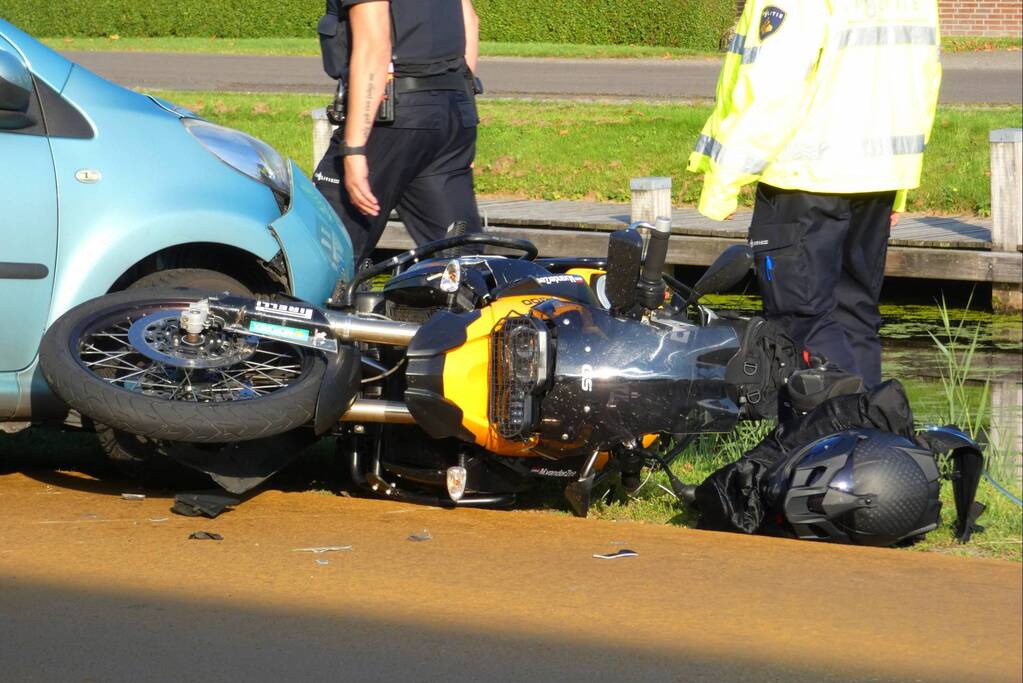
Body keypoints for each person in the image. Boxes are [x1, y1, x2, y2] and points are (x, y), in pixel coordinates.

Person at [688, 0, 942, 388]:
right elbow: (923, 83)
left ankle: (829, 434)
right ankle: (872, 436)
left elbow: (774, 91)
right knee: (856, 315)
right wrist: (900, 184)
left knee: (801, 320)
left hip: (802, 180)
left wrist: (724, 180)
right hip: (877, 180)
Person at [314, 0, 483, 263]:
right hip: (453, 110)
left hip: (393, 115)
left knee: (325, 250)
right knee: (460, 262)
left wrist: (354, 148)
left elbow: (374, 48)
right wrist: (462, 110)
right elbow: (469, 22)